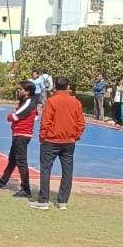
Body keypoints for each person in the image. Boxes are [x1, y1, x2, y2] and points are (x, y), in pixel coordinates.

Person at [31, 76, 85, 211]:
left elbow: (46, 121)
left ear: (55, 86)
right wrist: (75, 136)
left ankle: (43, 200)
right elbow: (81, 123)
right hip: (69, 141)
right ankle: (63, 202)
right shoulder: (76, 102)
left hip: (51, 140)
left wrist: (42, 137)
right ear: (68, 86)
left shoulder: (51, 101)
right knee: (67, 171)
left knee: (45, 169)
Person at [0, 81, 37, 198]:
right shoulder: (25, 102)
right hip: (19, 133)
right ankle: (3, 181)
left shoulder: (29, 102)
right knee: (12, 159)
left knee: (21, 162)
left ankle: (26, 189)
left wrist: (11, 115)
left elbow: (14, 116)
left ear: (27, 92)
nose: (17, 91)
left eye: (20, 89)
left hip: (22, 135)